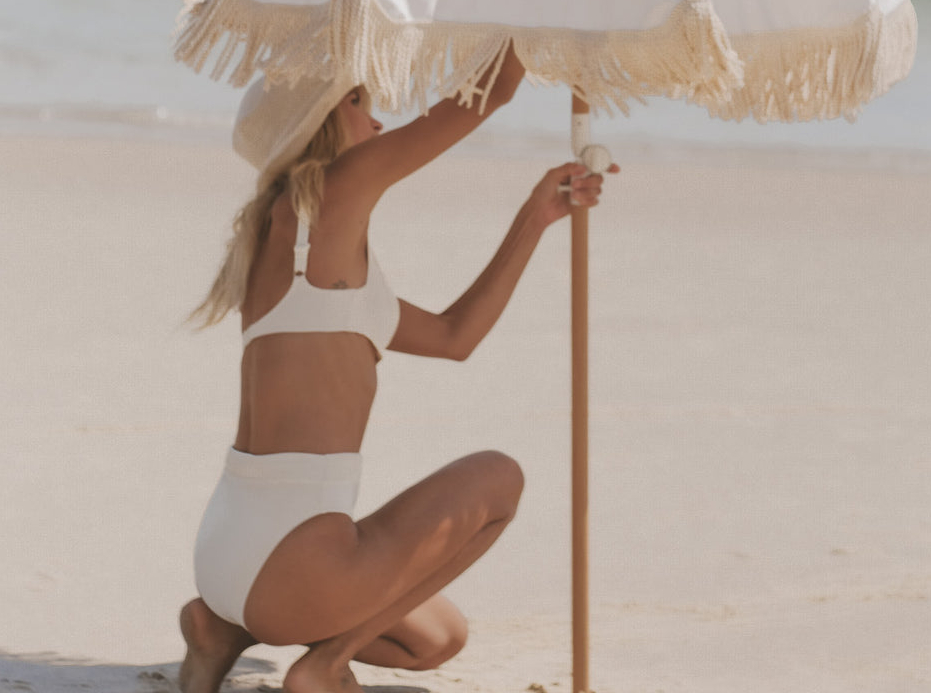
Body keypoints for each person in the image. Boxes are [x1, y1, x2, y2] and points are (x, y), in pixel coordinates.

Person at [177, 46, 615, 693]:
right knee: (499, 478)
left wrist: (536, 215)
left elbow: (453, 337)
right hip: (294, 553)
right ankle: (323, 666)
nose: (378, 123)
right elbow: (482, 99)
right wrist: (532, 17)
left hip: (228, 553)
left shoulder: (297, 249)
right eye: (359, 103)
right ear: (315, 127)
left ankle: (224, 630)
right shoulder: (328, 192)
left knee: (438, 640)